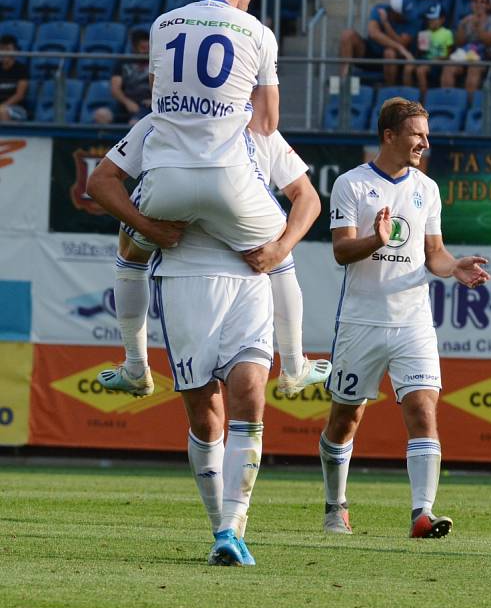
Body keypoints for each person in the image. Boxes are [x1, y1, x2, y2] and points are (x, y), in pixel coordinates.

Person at [87, 122, 328, 567]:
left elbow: (307, 196)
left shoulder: (259, 131)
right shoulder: (162, 122)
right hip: (185, 279)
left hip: (248, 280)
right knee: (205, 414)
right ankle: (222, 526)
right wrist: (148, 226)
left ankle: (232, 527)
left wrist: (281, 247)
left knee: (250, 395)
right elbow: (100, 181)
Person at [319, 97, 491, 538]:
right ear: (390, 135)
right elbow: (341, 251)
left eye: (426, 135)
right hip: (362, 322)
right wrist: (374, 240)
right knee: (344, 420)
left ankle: (422, 513)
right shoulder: (351, 184)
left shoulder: (426, 188)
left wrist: (454, 268)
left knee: (423, 411)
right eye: (417, 134)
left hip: (413, 320)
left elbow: (433, 253)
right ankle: (335, 506)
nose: (424, 143)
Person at [87, 112, 330, 398]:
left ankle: (136, 366)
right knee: (278, 245)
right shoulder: (253, 122)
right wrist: (281, 247)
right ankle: (293, 364)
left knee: (129, 254)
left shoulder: (162, 117)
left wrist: (147, 228)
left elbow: (99, 182)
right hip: (237, 216)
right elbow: (307, 196)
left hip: (176, 221)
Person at [142, 0, 286, 258]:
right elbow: (266, 123)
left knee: (131, 249)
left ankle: (129, 308)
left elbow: (156, 95)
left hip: (165, 181)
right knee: (279, 242)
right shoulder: (259, 32)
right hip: (226, 179)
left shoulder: (162, 24)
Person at [339, 0, 418, 84]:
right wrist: (399, 47)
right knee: (347, 34)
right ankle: (343, 79)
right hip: (370, 53)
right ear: (394, 12)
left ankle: (390, 91)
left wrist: (386, 24)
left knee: (389, 53)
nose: (407, 15)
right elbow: (373, 33)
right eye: (403, 14)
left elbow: (402, 43)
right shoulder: (380, 9)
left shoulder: (412, 18)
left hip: (394, 59)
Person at [441, 0, 491, 93]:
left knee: (474, 68)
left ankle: (470, 104)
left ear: (487, 5)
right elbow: (459, 43)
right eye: (476, 1)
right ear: (471, 4)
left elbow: (490, 42)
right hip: (466, 56)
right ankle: (448, 100)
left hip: (487, 57)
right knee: (449, 67)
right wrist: (462, 25)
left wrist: (478, 28)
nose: (479, 4)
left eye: (482, 1)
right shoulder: (466, 20)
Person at [403, 4, 454, 97]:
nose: (431, 22)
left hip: (439, 63)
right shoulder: (425, 32)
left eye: (434, 19)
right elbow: (421, 53)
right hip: (425, 60)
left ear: (442, 19)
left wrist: (440, 58)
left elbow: (449, 54)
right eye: (429, 19)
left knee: (421, 70)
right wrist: (421, 47)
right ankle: (408, 98)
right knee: (408, 68)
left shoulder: (447, 33)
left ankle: (424, 99)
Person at [0, 34, 28, 121]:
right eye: (1, 49)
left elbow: (19, 95)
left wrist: (3, 106)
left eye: (7, 49)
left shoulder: (21, 69)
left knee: (2, 111)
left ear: (15, 51)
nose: (4, 52)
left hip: (16, 108)